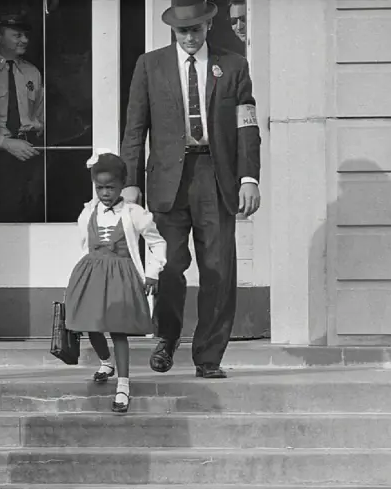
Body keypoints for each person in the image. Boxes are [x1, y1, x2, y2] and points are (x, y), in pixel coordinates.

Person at [120, 0, 262, 379]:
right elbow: (135, 129)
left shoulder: (233, 65)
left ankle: (209, 354)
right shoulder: (149, 66)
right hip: (168, 179)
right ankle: (166, 337)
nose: (189, 37)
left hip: (216, 177)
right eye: (182, 31)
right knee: (169, 265)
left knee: (218, 268)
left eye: (196, 30)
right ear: (172, 30)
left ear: (208, 26)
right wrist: (130, 183)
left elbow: (246, 127)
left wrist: (249, 178)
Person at [64, 150, 166, 413]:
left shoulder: (134, 213)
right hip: (92, 274)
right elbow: (84, 243)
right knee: (90, 324)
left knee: (118, 329)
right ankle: (105, 361)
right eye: (100, 187)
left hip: (121, 275)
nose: (105, 193)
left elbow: (156, 242)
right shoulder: (88, 213)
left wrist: (153, 271)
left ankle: (123, 384)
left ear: (122, 185)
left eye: (110, 187)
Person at [0, 13, 46, 222]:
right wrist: (4, 142)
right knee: (5, 213)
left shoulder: (32, 72)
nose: (24, 40)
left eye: (26, 35)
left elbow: (39, 114)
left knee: (32, 213)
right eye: (17, 35)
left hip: (29, 152)